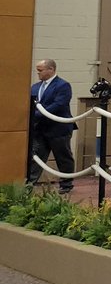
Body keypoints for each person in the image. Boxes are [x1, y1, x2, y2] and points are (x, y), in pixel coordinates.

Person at [26, 59, 76, 193]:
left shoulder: (63, 85)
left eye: (40, 70)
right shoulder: (35, 87)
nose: (38, 73)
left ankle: (66, 184)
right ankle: (29, 184)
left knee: (63, 156)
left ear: (51, 70)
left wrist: (38, 114)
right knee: (36, 157)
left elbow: (59, 104)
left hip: (58, 129)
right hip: (40, 129)